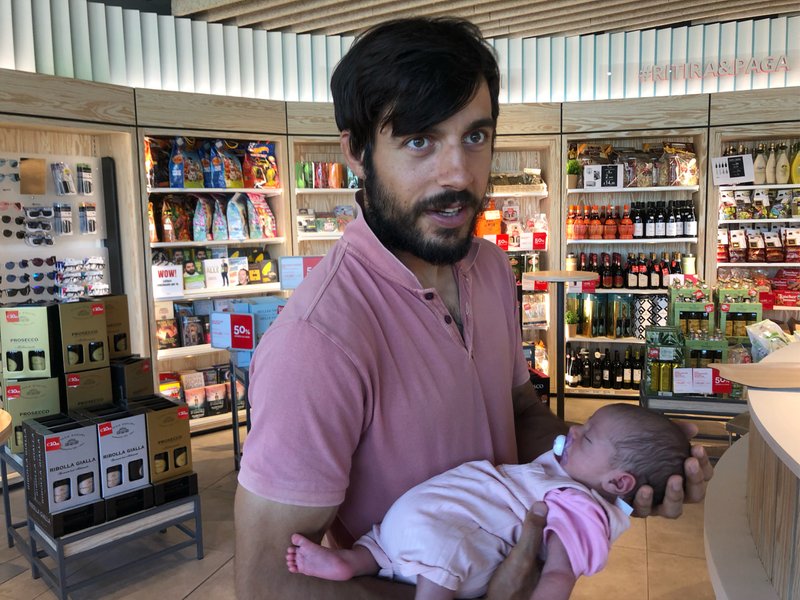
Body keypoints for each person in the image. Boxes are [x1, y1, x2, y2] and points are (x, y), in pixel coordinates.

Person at [235, 17, 713, 600]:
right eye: (419, 140)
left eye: (475, 136)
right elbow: (267, 582)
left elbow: (515, 411)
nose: (459, 174)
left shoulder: (487, 268)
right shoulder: (318, 340)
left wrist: (604, 464)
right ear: (357, 152)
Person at [285, 404, 689, 600]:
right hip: (428, 517)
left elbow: (558, 577)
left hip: (442, 533)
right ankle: (351, 560)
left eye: (590, 436)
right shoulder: (568, 477)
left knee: (442, 555)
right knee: (407, 544)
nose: (575, 430)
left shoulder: (583, 508)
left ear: (618, 481)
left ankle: (353, 560)